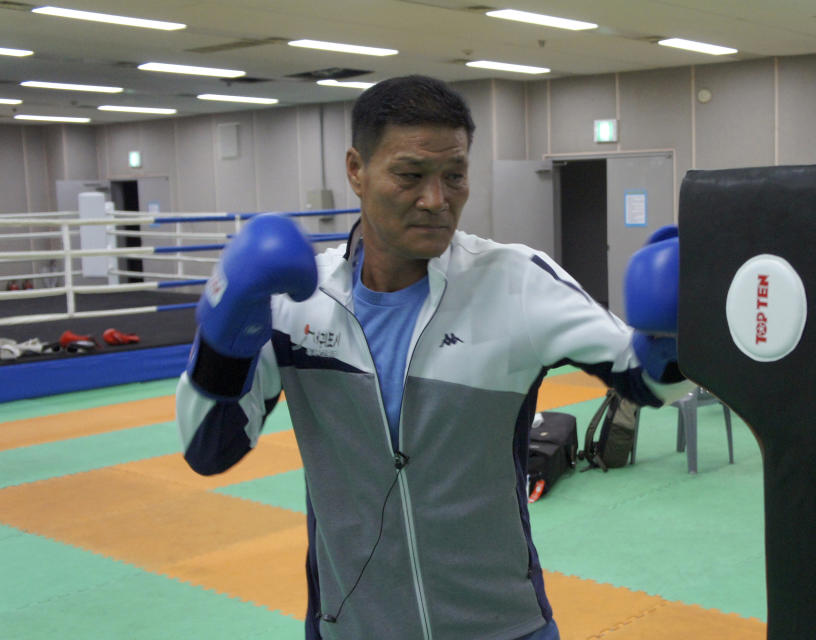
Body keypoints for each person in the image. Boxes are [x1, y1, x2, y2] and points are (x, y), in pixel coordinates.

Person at [175, 74, 691, 640]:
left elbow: (647, 383)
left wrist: (670, 335)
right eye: (410, 175)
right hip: (352, 626)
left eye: (454, 176)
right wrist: (220, 340)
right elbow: (209, 450)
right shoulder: (297, 304)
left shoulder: (514, 282)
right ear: (356, 169)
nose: (436, 200)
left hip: (504, 626)